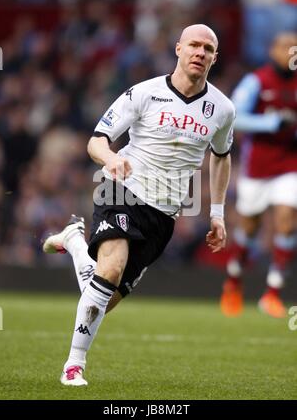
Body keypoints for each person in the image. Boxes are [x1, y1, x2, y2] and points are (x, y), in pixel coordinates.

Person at [43, 24, 235, 386]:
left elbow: (222, 157)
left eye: (208, 49)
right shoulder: (143, 93)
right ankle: (74, 365)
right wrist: (110, 160)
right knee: (110, 271)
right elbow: (97, 140)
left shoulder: (222, 110)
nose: (200, 52)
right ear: (178, 49)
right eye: (193, 45)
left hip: (163, 215)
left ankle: (74, 242)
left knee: (101, 297)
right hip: (121, 190)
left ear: (215, 58)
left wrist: (218, 214)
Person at [220, 32, 297, 319]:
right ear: (272, 50)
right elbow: (235, 116)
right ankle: (234, 280)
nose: (291, 52)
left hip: (290, 164)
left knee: (287, 222)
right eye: (286, 47)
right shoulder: (257, 80)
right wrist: (273, 122)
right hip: (258, 169)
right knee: (248, 229)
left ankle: (272, 293)